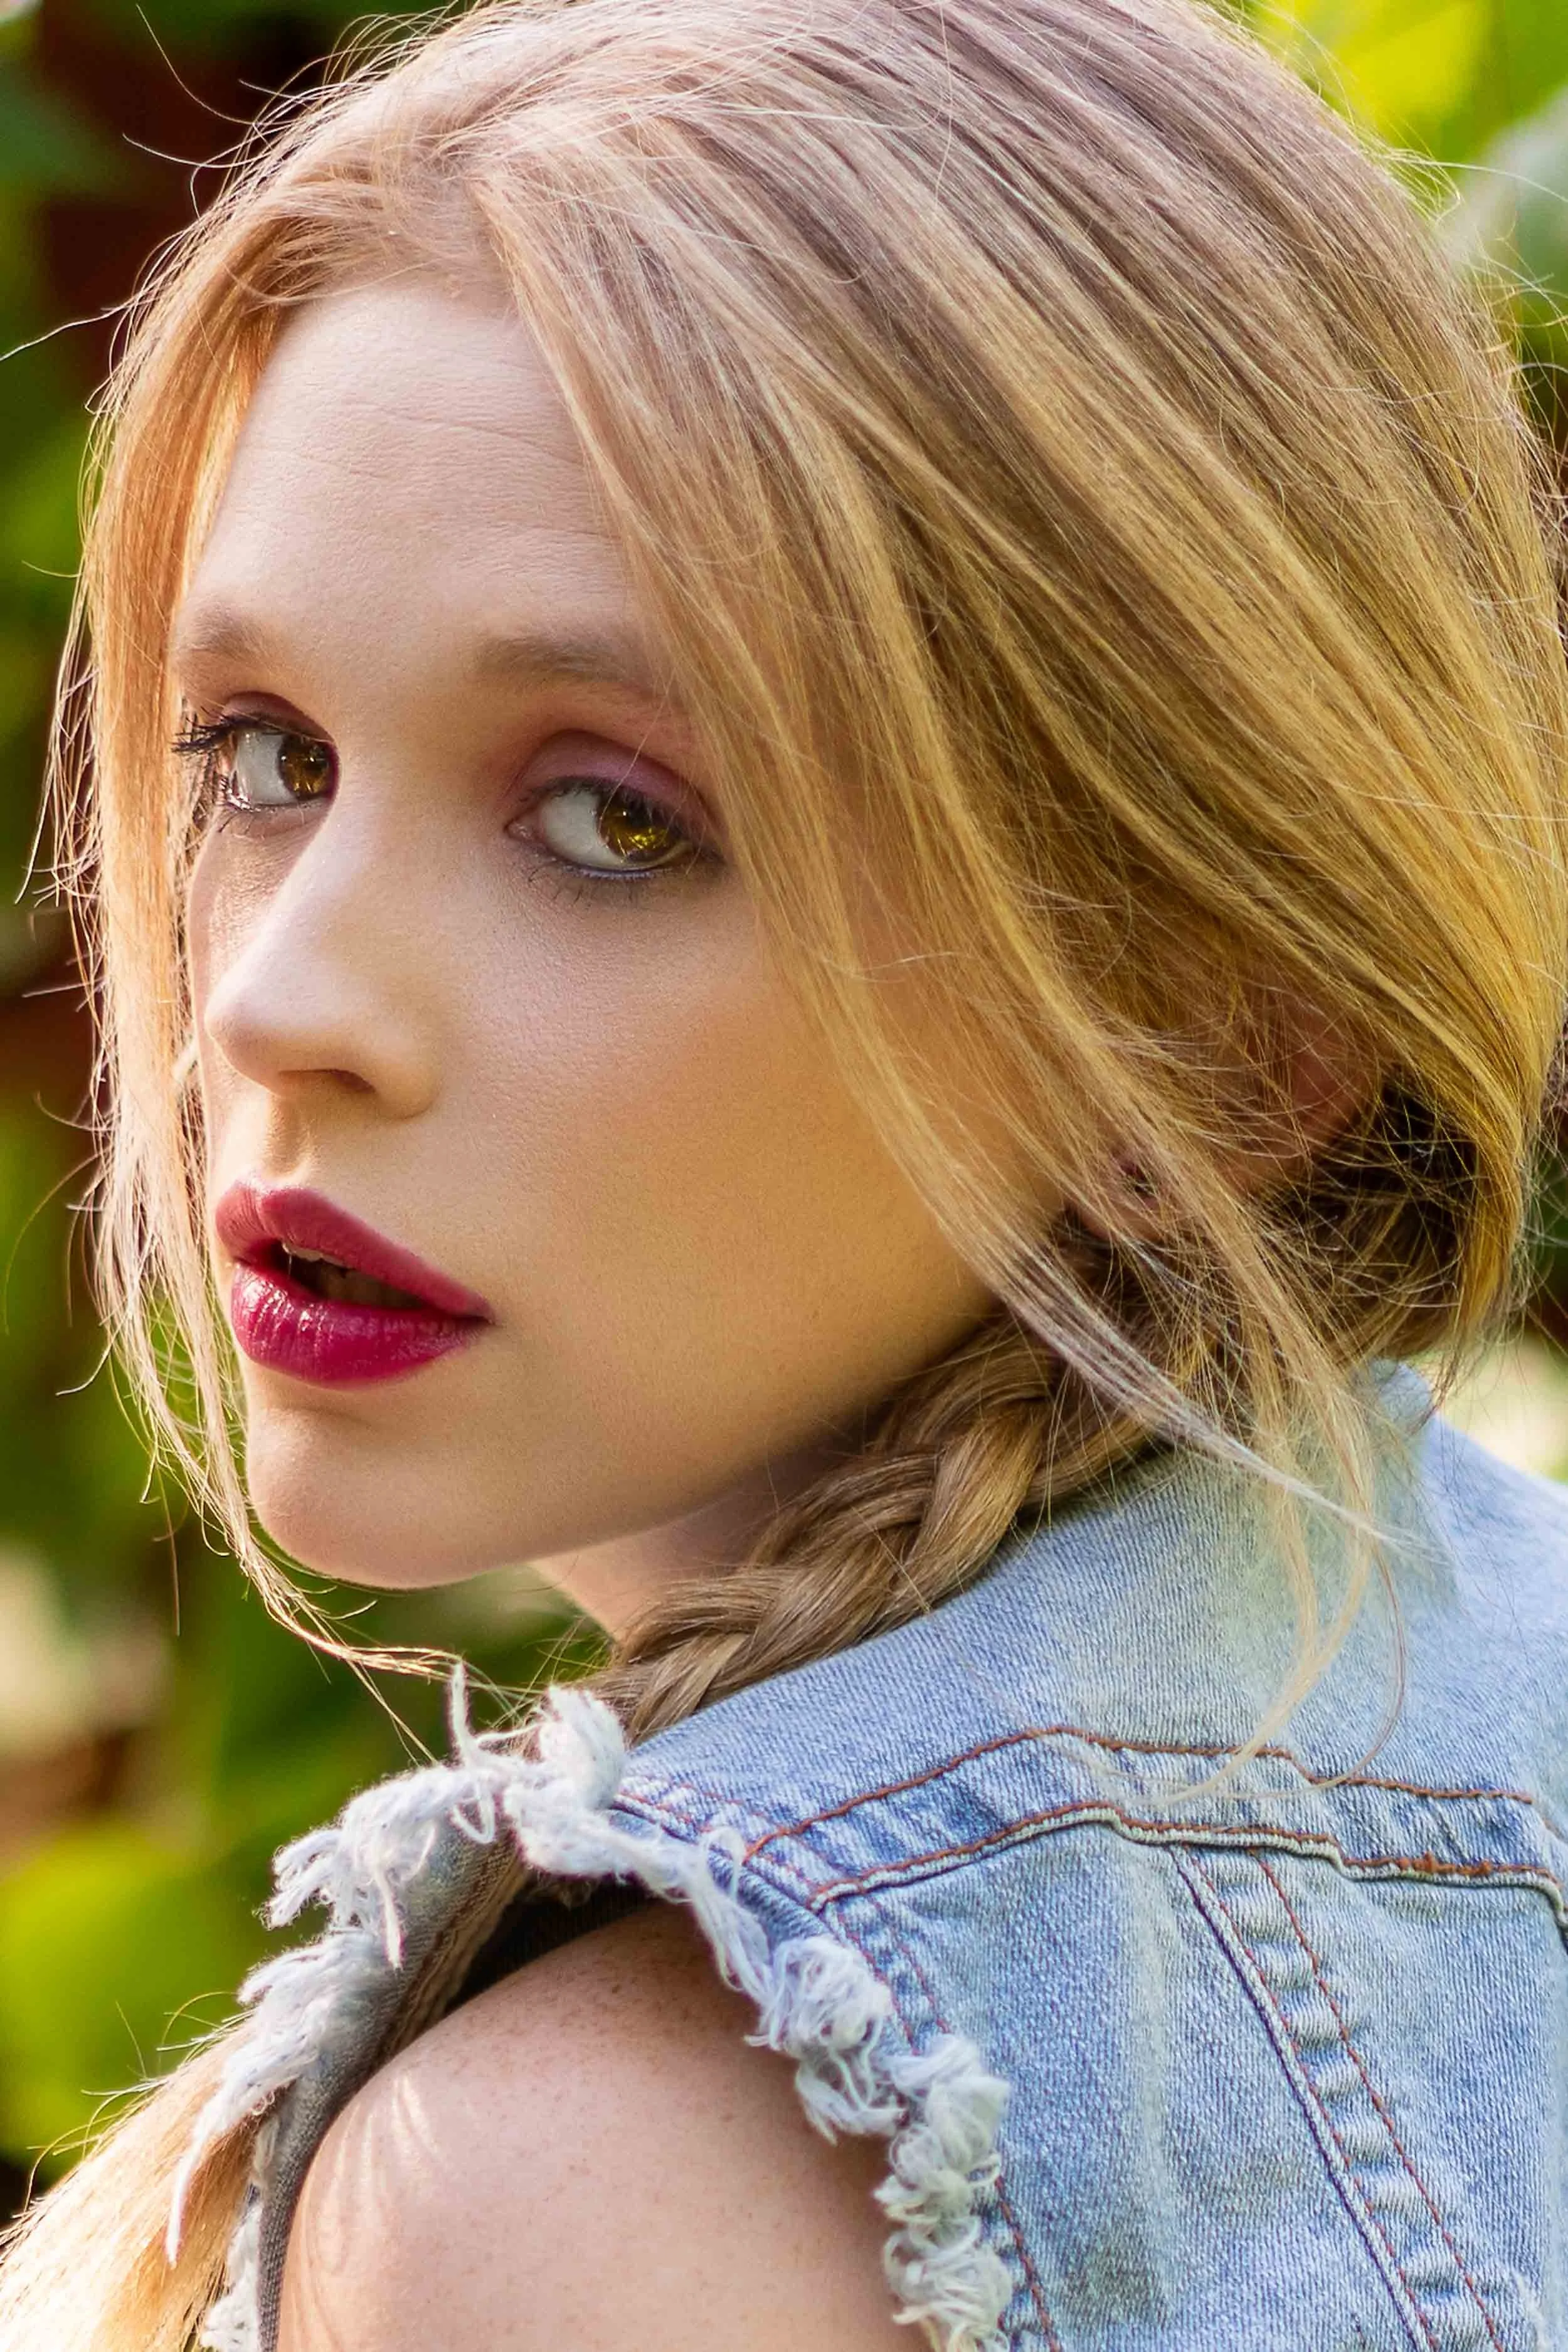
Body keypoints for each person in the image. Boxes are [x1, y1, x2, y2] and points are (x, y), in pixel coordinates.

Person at [3, 0, 1567, 2343]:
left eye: (611, 818)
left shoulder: (582, 2184)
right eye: (265, 753)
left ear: (1227, 1044)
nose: (275, 1004)